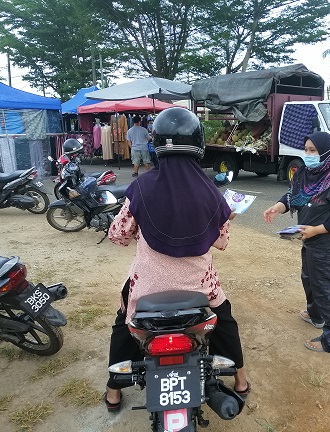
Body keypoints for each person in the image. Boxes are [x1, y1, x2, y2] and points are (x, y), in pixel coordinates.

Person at [104, 107, 250, 413]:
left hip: (147, 288)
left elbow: (117, 236)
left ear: (157, 144)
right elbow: (222, 242)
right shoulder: (212, 192)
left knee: (123, 323)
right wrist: (222, 218)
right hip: (200, 287)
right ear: (199, 145)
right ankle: (240, 380)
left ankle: (113, 391)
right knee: (225, 320)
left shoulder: (140, 187)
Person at [263, 131, 330, 353]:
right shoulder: (305, 173)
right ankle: (316, 316)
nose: (308, 154)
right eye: (306, 150)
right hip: (310, 242)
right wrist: (277, 207)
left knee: (326, 289)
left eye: (313, 150)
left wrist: (316, 230)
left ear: (327, 152)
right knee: (310, 279)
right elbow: (291, 195)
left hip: (329, 246)